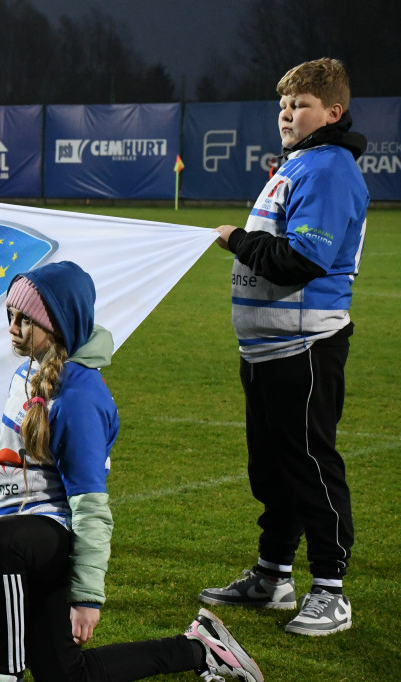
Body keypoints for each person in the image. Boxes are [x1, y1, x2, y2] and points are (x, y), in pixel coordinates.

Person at [0, 262, 263, 681]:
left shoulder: (79, 399)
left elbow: (91, 509)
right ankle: (199, 649)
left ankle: (5, 675)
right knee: (66, 676)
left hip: (52, 537)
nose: (13, 328)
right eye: (10, 317)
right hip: (28, 540)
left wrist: (87, 597)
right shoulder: (30, 369)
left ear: (58, 326)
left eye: (26, 320)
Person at [201, 58, 367, 637]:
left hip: (305, 347)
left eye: (299, 104)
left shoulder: (327, 170)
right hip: (268, 351)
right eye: (282, 106)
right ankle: (274, 576)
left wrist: (237, 241)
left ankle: (332, 591)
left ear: (333, 112)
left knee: (310, 467)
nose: (287, 114)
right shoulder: (300, 165)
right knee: (272, 470)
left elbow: (299, 261)